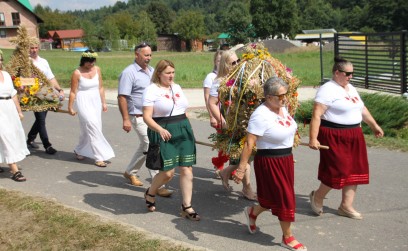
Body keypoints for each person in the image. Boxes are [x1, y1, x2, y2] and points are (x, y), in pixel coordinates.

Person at [233, 77, 307, 251]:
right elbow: (249, 143)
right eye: (281, 96)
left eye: (285, 94)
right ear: (268, 97)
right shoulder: (260, 115)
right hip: (270, 162)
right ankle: (287, 237)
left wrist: (287, 152)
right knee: (285, 198)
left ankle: (252, 212)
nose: (285, 98)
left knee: (271, 198)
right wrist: (241, 169)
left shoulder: (283, 108)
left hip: (285, 159)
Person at [308, 56, 384, 220]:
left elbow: (361, 109)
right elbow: (316, 115)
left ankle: (346, 206)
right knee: (338, 170)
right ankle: (318, 197)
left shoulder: (350, 88)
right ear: (337, 72)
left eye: (352, 73)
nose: (351, 77)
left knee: (356, 169)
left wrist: (374, 125)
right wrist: (313, 138)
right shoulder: (327, 89)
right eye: (348, 73)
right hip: (333, 134)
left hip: (354, 133)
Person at [142, 59, 199, 221]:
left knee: (187, 169)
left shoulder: (177, 87)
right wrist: (159, 129)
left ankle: (186, 206)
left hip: (183, 129)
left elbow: (183, 109)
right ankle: (151, 192)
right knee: (167, 173)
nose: (171, 76)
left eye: (173, 72)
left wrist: (187, 126)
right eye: (168, 73)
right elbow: (146, 117)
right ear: (159, 74)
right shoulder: (151, 90)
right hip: (163, 130)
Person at [118, 42, 173, 197]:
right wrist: (125, 119)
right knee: (151, 145)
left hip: (152, 116)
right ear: (137, 54)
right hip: (137, 116)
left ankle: (130, 172)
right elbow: (122, 97)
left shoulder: (151, 71)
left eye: (150, 55)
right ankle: (158, 183)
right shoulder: (129, 73)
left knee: (145, 145)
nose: (149, 58)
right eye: (146, 55)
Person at [208, 50, 257, 201]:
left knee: (248, 155)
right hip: (232, 122)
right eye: (232, 63)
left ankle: (226, 172)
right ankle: (246, 188)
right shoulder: (219, 81)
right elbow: (212, 103)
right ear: (225, 64)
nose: (237, 64)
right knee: (241, 156)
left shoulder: (244, 76)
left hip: (246, 121)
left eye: (238, 61)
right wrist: (221, 120)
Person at [68, 50, 115, 167]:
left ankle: (79, 149)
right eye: (89, 62)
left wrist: (104, 102)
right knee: (92, 125)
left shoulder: (97, 69)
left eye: (93, 61)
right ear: (84, 61)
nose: (91, 64)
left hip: (95, 101)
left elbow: (101, 87)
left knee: (89, 128)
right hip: (83, 101)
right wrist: (70, 107)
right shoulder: (77, 73)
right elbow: (73, 92)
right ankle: (99, 157)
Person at [26, 37, 64, 154]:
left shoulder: (44, 62)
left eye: (36, 47)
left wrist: (59, 89)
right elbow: (23, 80)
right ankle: (47, 145)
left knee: (40, 119)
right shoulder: (26, 62)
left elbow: (50, 77)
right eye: (31, 48)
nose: (34, 50)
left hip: (46, 93)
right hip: (34, 94)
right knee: (41, 120)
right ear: (28, 49)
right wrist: (33, 84)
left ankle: (30, 139)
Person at [0, 50, 29, 181]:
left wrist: (19, 111)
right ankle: (15, 170)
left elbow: (13, 94)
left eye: (0, 59)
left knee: (12, 134)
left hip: (9, 109)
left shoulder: (6, 74)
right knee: (6, 136)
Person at [203, 50, 228, 172]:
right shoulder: (211, 77)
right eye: (219, 61)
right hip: (218, 113)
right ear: (215, 62)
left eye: (223, 61)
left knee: (230, 141)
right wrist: (212, 116)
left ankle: (224, 166)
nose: (221, 63)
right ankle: (220, 165)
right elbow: (208, 97)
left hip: (230, 113)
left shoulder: (229, 75)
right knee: (225, 141)